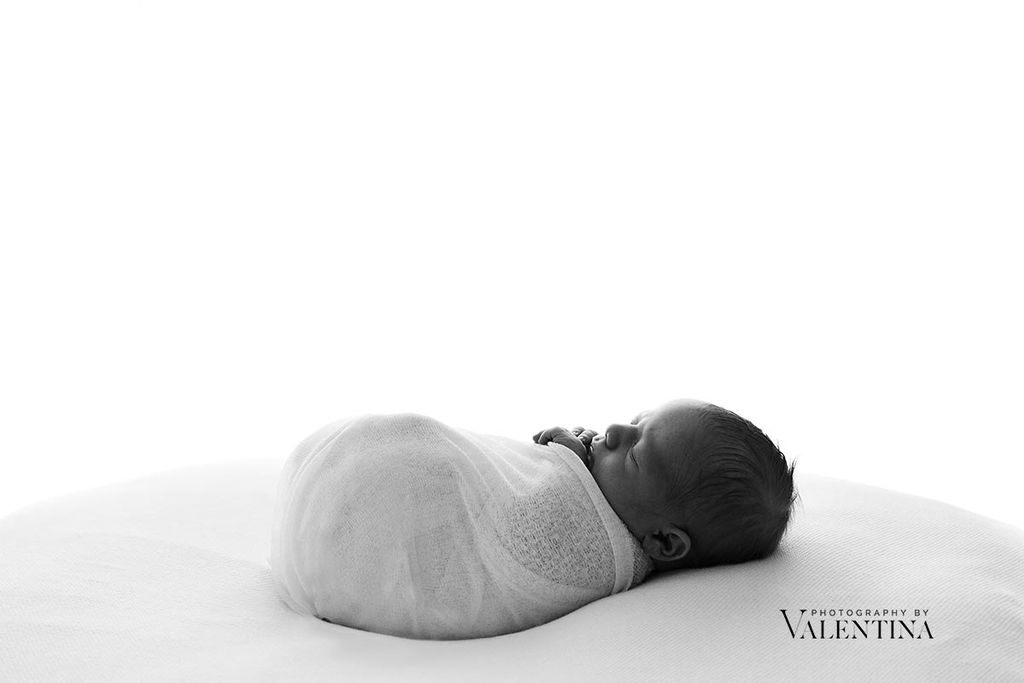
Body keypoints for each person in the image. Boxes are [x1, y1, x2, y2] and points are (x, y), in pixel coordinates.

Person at [533, 398, 798, 571]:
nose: (614, 429)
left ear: (664, 542)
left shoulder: (610, 561)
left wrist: (566, 468)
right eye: (636, 422)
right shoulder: (623, 517)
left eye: (634, 455)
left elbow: (530, 534)